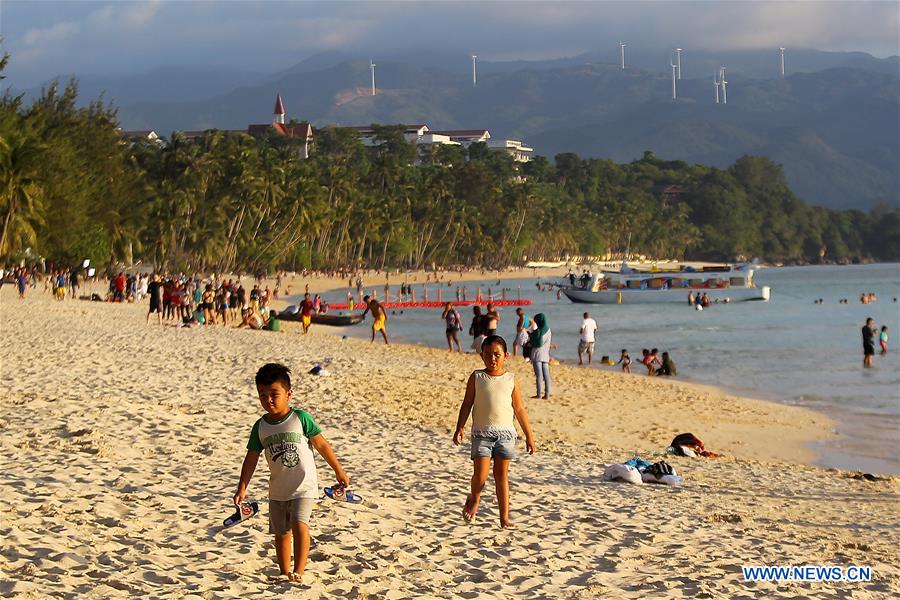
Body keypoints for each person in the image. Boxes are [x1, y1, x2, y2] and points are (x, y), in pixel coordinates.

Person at [233, 364, 349, 583]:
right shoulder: (260, 427)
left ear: (288, 394)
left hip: (304, 486)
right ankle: (284, 572)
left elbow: (322, 445)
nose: (268, 400)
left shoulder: (300, 418)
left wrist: (338, 471)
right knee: (281, 533)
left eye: (274, 394)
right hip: (278, 489)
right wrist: (242, 487)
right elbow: (251, 458)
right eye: (263, 395)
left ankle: (299, 571)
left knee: (299, 523)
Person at [453, 335, 536, 528]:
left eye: (497, 355)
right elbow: (467, 404)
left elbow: (519, 409)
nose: (492, 359)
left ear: (506, 356)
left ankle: (504, 517)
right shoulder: (477, 377)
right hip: (482, 434)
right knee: (480, 477)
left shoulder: (511, 379)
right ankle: (474, 497)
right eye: (488, 355)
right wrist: (460, 427)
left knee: (501, 477)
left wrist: (529, 436)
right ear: (481, 355)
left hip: (506, 435)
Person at [528, 313, 552, 399]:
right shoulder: (548, 330)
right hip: (545, 355)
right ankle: (547, 394)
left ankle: (539, 394)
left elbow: (536, 342)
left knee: (539, 376)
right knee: (547, 376)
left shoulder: (539, 331)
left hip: (537, 354)